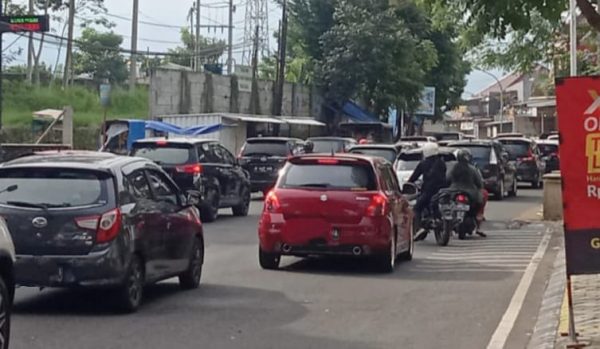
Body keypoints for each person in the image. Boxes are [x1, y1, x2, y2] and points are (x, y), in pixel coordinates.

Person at [408, 143, 447, 241]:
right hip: (442, 190)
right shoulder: (441, 163)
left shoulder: (424, 163)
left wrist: (408, 183)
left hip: (429, 191)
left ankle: (418, 229)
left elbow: (414, 176)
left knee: (417, 208)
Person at [447, 149, 486, 237]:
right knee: (478, 204)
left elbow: (447, 179)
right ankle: (477, 220)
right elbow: (479, 183)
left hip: (454, 192)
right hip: (470, 193)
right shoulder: (472, 169)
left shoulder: (453, 168)